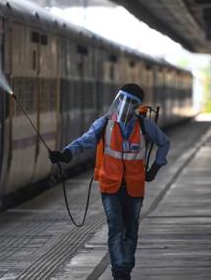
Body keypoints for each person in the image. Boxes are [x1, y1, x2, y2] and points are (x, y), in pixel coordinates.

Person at [50, 83, 170, 280]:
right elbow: (85, 141)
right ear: (118, 100)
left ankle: (125, 266)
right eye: (123, 99)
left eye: (131, 102)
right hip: (110, 187)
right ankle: (119, 270)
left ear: (137, 106)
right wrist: (65, 154)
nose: (125, 105)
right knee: (116, 228)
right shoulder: (104, 124)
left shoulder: (143, 125)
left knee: (131, 230)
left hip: (134, 187)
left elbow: (164, 142)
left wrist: (155, 168)